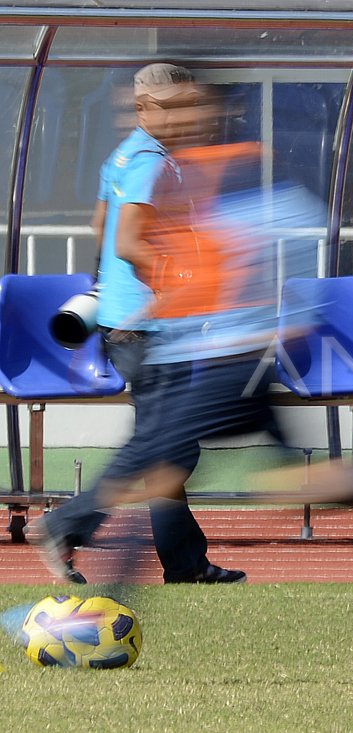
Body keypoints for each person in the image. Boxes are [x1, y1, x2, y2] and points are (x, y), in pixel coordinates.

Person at [30, 63, 246, 585]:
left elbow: (99, 226)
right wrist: (186, 278)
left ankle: (185, 562)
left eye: (185, 104)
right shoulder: (151, 162)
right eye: (169, 106)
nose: (181, 116)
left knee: (165, 446)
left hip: (124, 322)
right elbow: (127, 242)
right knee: (163, 447)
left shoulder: (124, 155)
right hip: (147, 325)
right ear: (144, 107)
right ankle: (65, 524)